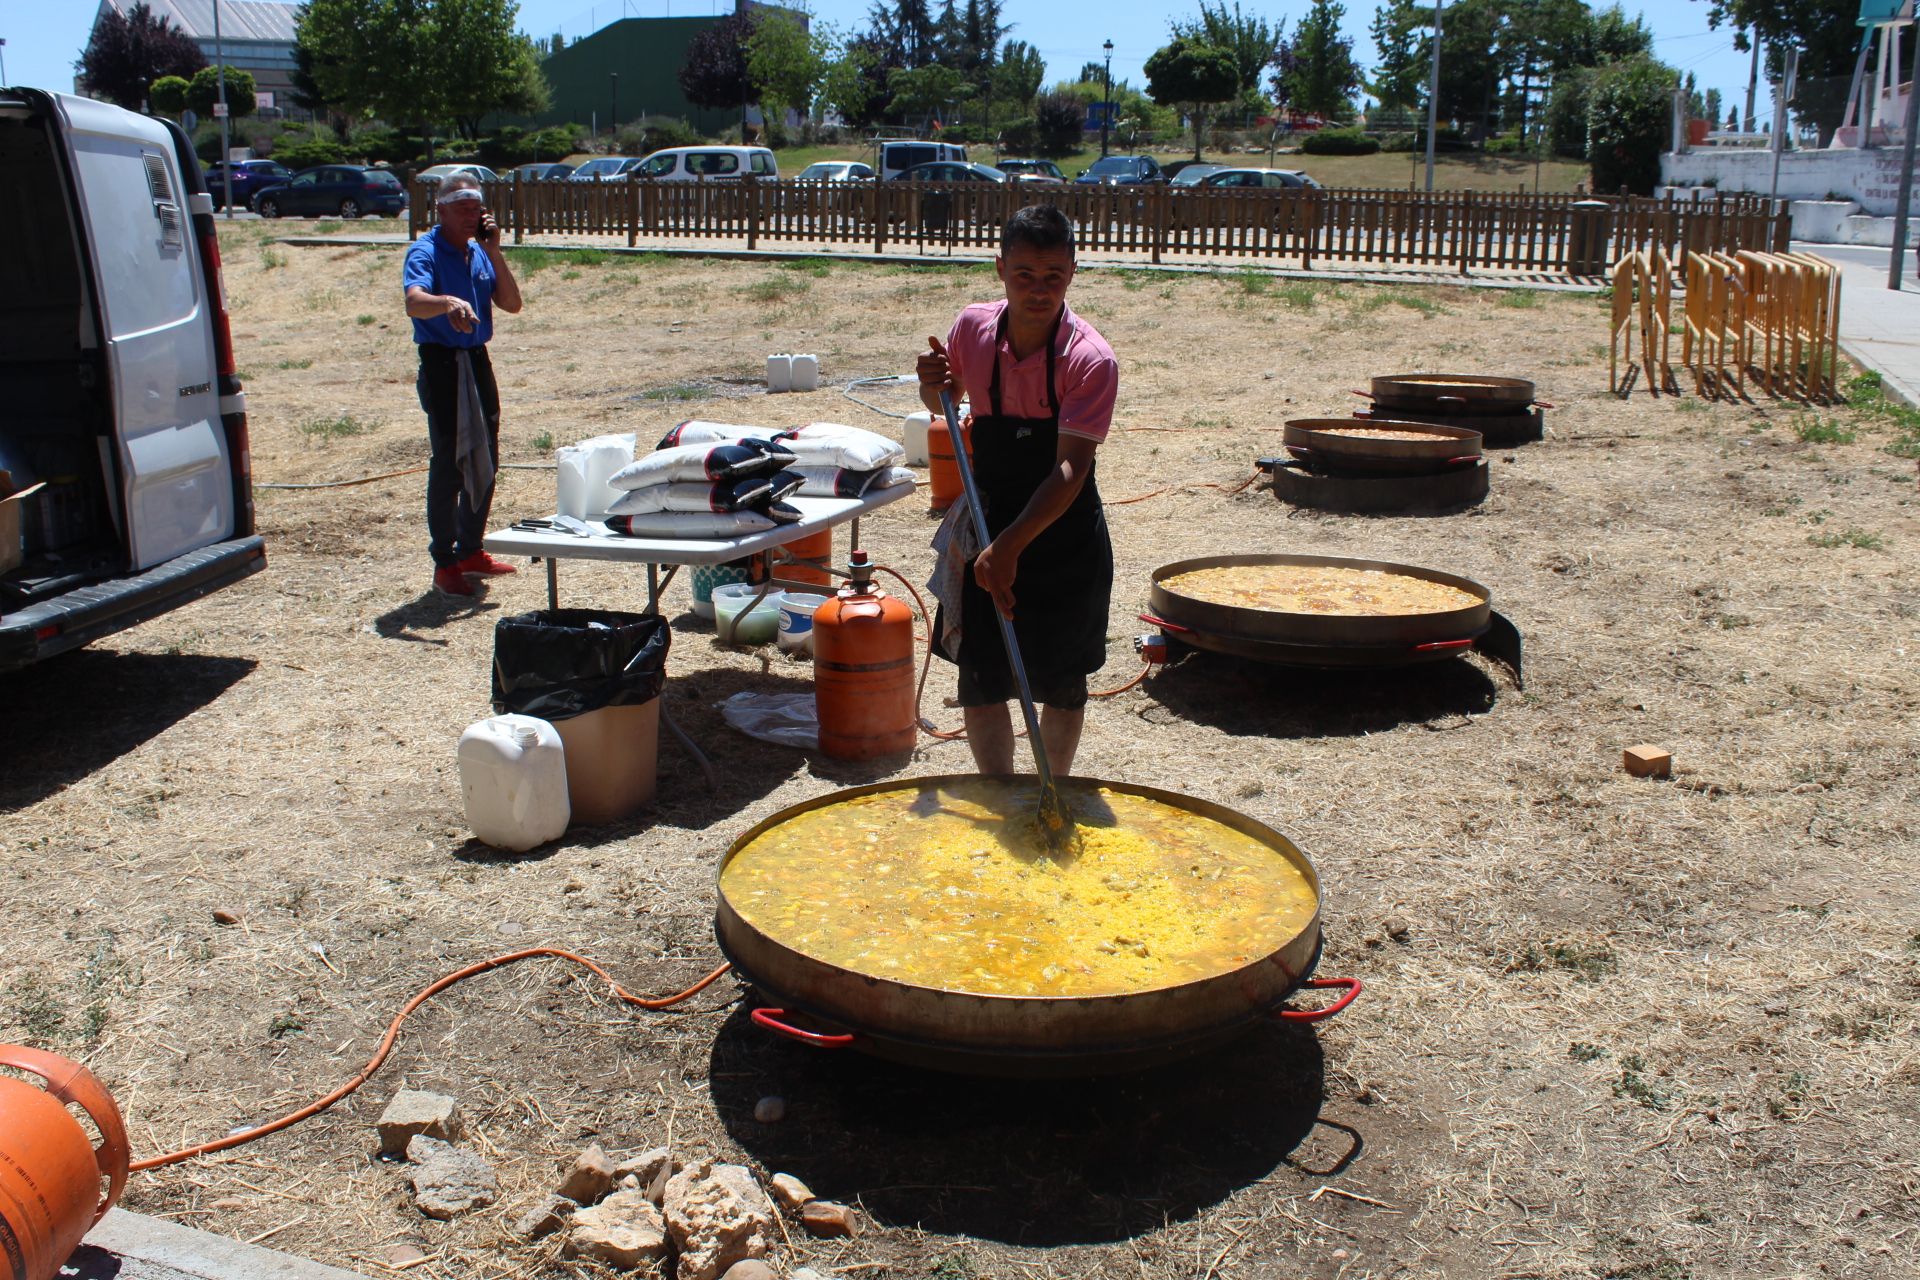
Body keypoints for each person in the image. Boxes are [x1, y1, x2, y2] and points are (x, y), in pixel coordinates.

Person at [916, 204, 1118, 777]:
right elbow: (946, 405)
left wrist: (1009, 548)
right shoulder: (973, 328)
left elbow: (1071, 471)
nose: (1039, 290)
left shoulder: (1089, 359)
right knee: (981, 675)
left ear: (1073, 271)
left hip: (1062, 529)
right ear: (1000, 267)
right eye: (1025, 275)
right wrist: (933, 386)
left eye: (1053, 276)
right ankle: (998, 792)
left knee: (1060, 679)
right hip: (987, 514)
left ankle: (1050, 790)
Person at [403, 174, 523, 596]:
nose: (472, 216)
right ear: (441, 210)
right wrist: (447, 303)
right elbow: (413, 301)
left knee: (486, 457)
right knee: (450, 464)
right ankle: (445, 560)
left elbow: (511, 303)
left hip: (476, 360)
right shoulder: (426, 250)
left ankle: (472, 549)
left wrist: (494, 250)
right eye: (462, 209)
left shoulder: (479, 251)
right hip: (442, 364)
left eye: (477, 209)